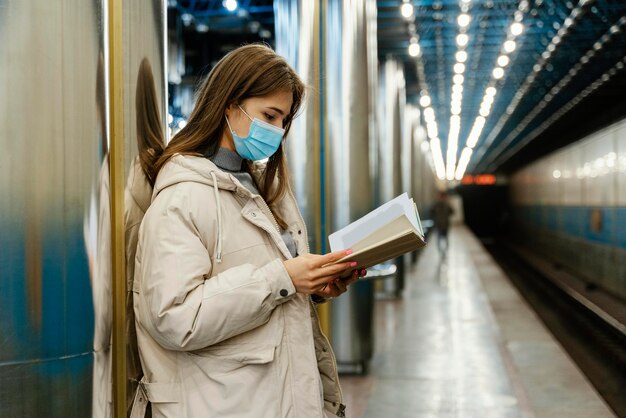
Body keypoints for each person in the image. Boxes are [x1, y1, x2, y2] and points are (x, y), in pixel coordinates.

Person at [131, 44, 365, 418]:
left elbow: (267, 289)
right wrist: (283, 279)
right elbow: (175, 319)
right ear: (228, 104)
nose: (276, 131)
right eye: (268, 115)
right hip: (227, 403)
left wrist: (313, 285)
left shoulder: (263, 188)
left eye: (284, 121)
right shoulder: (183, 196)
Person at [431, 190, 454, 255]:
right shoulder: (445, 204)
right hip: (443, 223)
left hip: (441, 223)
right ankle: (443, 251)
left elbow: (432, 211)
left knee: (441, 237)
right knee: (444, 237)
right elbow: (452, 212)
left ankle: (442, 250)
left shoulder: (437, 204)